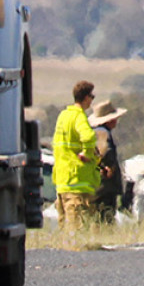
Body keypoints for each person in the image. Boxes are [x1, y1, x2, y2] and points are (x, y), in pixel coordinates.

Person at [52, 81, 100, 230]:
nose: (92, 100)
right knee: (77, 229)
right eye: (92, 96)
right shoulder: (79, 117)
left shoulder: (63, 116)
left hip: (62, 180)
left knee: (64, 227)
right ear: (86, 98)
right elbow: (88, 136)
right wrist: (87, 153)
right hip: (77, 180)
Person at [88, 99, 128, 222]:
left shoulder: (94, 132)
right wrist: (110, 166)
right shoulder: (102, 133)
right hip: (104, 187)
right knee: (105, 217)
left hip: (96, 184)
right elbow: (106, 151)